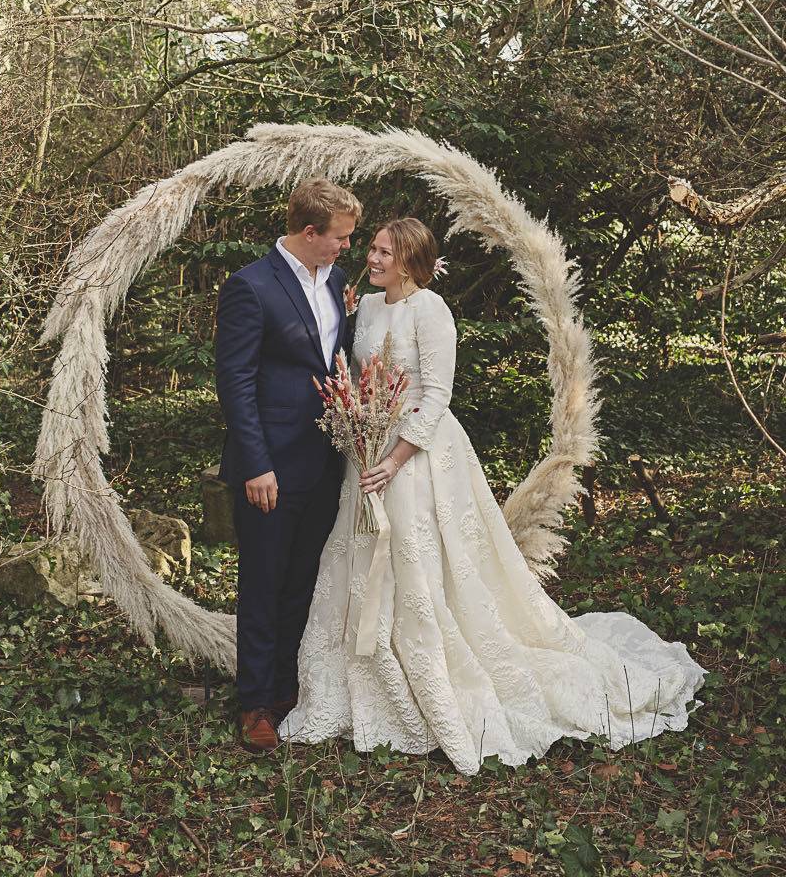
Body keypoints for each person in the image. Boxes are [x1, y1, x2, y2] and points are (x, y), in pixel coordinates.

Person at [280, 217, 707, 775]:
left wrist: (393, 460)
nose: (372, 257)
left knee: (416, 557)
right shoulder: (368, 307)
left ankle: (434, 674)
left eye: (385, 252)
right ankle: (369, 678)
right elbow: (360, 380)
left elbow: (436, 394)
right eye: (374, 249)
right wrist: (361, 437)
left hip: (419, 455)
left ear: (410, 261)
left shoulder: (432, 311)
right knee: (359, 554)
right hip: (368, 449)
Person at [214, 177, 362, 751]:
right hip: (270, 467)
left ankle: (285, 690)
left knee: (303, 579)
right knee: (264, 581)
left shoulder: (338, 282)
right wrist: (256, 464)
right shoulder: (251, 286)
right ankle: (254, 704)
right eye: (341, 237)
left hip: (325, 461)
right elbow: (235, 381)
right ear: (309, 231)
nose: (347, 246)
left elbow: (333, 360)